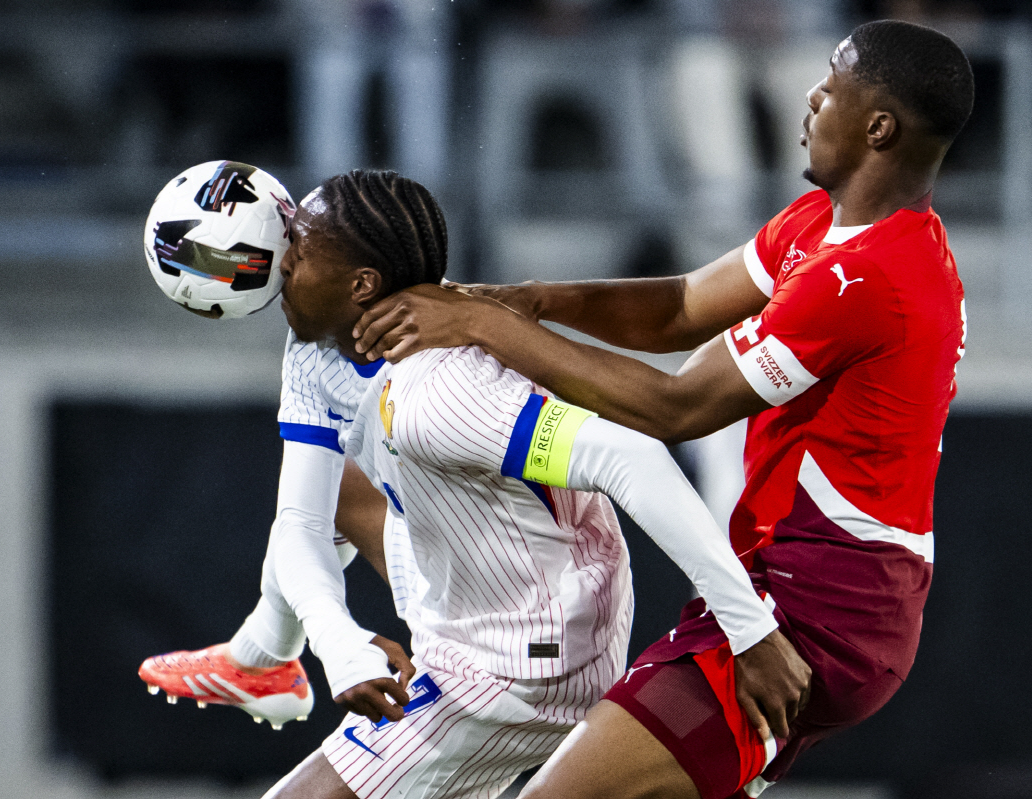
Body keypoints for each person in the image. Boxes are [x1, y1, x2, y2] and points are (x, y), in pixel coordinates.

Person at [351, 19, 973, 798]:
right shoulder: (829, 228)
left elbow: (674, 407)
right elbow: (680, 307)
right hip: (816, 596)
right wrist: (532, 299)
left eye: (833, 83)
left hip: (818, 616)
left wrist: (485, 325)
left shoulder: (866, 280)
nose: (813, 97)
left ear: (879, 126)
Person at [141, 169, 789, 799]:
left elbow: (634, 457)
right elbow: (302, 523)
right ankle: (264, 655)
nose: (279, 260)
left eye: (300, 251)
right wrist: (338, 643)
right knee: (332, 488)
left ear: (361, 283)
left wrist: (749, 626)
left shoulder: (442, 389)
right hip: (476, 576)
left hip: (526, 655)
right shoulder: (320, 347)